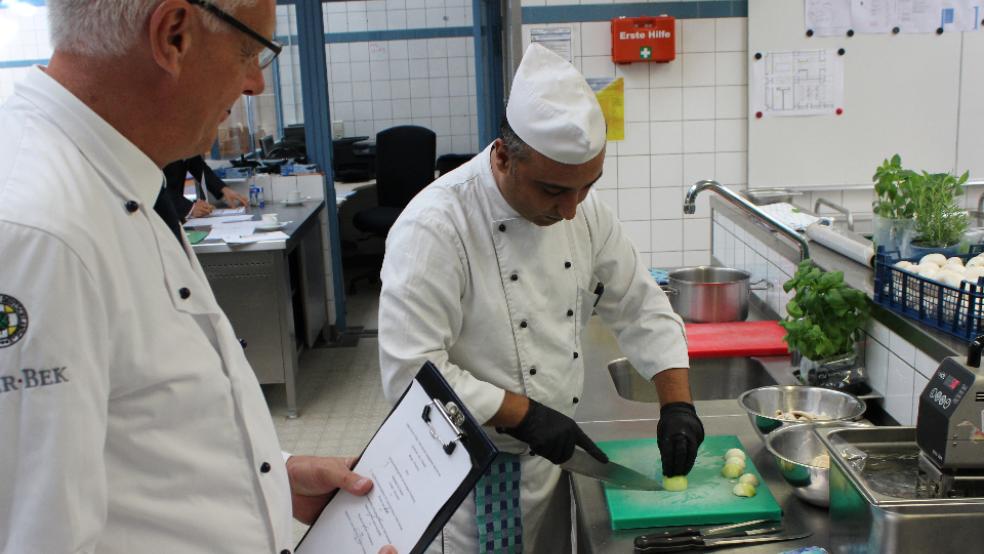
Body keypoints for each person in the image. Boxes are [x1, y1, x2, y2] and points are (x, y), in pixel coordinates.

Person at [0, 1, 394, 552]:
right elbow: (38, 537)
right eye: (249, 52)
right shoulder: (39, 230)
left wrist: (272, 476)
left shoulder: (117, 181)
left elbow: (141, 429)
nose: (256, 83)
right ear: (174, 36)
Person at [378, 43, 704, 552]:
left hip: (549, 464)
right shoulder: (436, 227)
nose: (571, 210)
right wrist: (523, 414)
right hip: (469, 473)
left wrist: (677, 404)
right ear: (503, 157)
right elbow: (410, 373)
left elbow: (640, 304)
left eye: (587, 186)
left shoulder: (585, 212)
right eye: (554, 191)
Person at [164, 154, 250, 220]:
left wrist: (222, 189)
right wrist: (188, 208)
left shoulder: (185, 141)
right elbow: (159, 186)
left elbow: (197, 165)